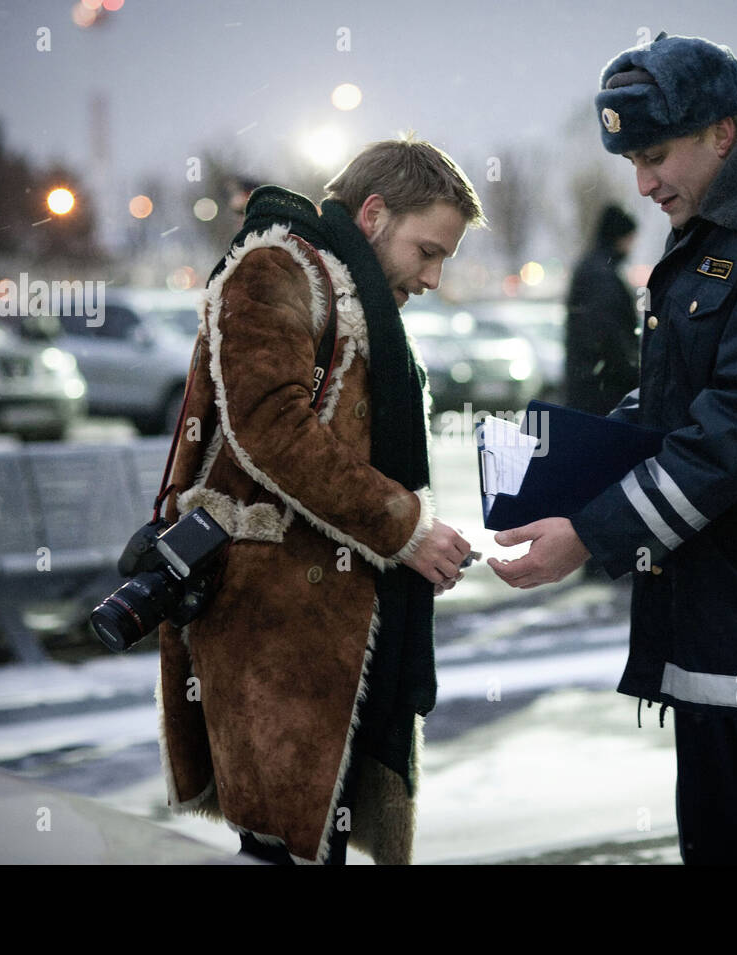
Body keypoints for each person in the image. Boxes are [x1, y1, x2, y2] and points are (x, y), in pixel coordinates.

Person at [488, 32, 737, 864]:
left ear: (724, 133)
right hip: (713, 625)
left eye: (657, 154)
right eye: (632, 159)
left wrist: (593, 533)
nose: (643, 183)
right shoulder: (712, 236)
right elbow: (680, 407)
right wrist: (563, 464)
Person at [156, 136, 484, 865]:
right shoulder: (276, 268)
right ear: (372, 214)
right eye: (427, 251)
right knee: (281, 848)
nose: (433, 277)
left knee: (311, 847)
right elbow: (270, 427)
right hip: (275, 630)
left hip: (336, 630)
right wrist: (405, 529)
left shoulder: (353, 293)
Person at [564, 204, 640, 415]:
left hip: (590, 387)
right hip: (602, 393)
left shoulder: (592, 267)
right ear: (620, 236)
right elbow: (609, 335)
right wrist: (635, 374)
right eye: (630, 238)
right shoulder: (602, 275)